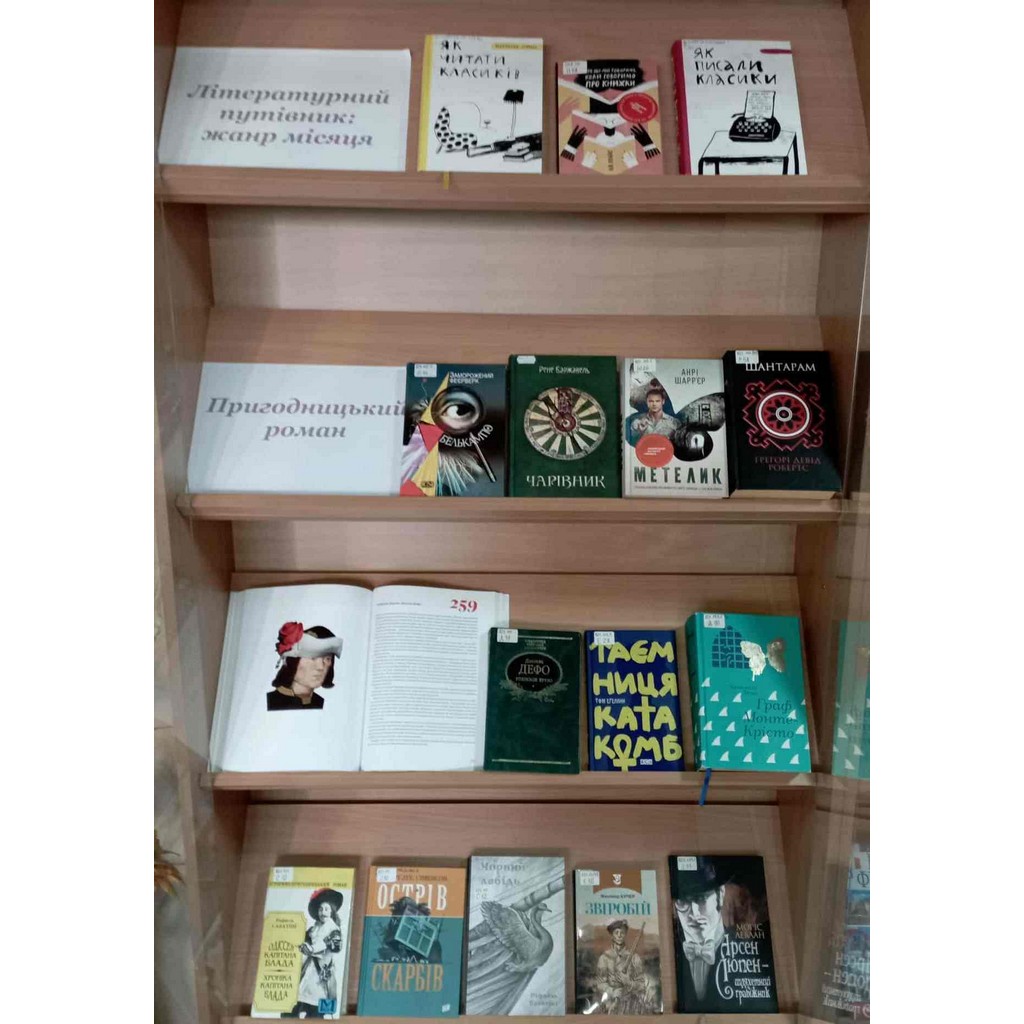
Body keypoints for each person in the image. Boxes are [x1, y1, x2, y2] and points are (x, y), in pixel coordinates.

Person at [285, 888, 345, 1018]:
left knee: (316, 1007)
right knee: (292, 1005)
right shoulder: (314, 929)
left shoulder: (334, 929)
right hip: (308, 970)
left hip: (321, 974)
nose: (323, 912)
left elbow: (331, 945)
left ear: (332, 911)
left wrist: (312, 949)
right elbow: (302, 940)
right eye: (320, 909)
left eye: (326, 909)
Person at [266, 623, 343, 711]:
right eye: (312, 657)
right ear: (293, 660)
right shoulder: (269, 702)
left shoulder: (324, 705)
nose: (321, 667)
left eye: (327, 659)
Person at [594, 919, 656, 1013]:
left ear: (625, 934)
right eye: (616, 932)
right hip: (610, 1004)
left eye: (622, 933)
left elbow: (641, 985)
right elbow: (600, 983)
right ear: (612, 935)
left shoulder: (634, 958)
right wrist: (612, 991)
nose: (619, 935)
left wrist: (628, 982)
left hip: (631, 1005)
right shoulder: (604, 958)